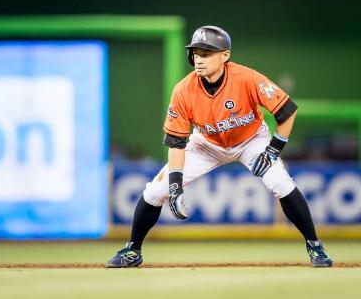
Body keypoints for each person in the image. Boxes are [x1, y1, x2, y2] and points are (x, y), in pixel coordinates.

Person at [106, 26, 333, 268]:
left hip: (251, 140)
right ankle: (133, 250)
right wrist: (175, 185)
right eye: (195, 53)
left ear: (225, 55)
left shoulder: (247, 78)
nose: (198, 59)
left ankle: (315, 246)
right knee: (155, 191)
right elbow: (176, 142)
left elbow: (287, 111)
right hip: (206, 143)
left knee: (280, 182)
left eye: (206, 53)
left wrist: (274, 149)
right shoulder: (183, 90)